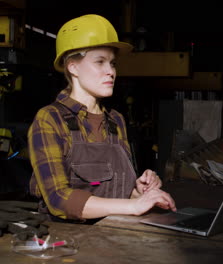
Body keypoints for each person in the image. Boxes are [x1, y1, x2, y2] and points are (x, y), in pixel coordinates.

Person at [28, 14, 176, 222]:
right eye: (100, 62)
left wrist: (139, 193)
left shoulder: (115, 121)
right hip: (68, 243)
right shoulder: (50, 119)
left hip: (113, 233)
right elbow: (57, 198)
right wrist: (133, 205)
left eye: (113, 63)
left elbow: (116, 196)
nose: (111, 72)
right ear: (73, 67)